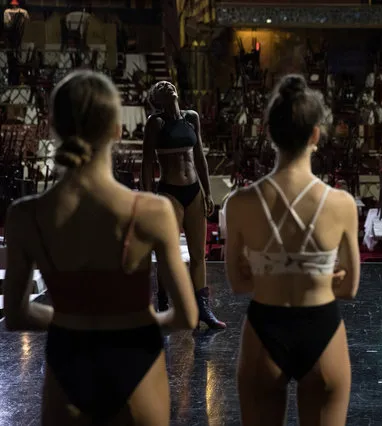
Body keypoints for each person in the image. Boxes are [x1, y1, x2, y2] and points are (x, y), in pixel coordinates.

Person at [3, 70, 198, 425]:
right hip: (136, 362)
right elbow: (186, 316)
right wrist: (134, 322)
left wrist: (73, 320)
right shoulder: (153, 212)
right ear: (117, 130)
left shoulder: (25, 216)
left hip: (68, 363)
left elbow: (16, 316)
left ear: (54, 126)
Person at [224, 74, 360, 426]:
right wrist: (318, 277)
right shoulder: (341, 204)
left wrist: (271, 272)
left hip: (264, 329)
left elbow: (238, 285)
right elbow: (349, 288)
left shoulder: (239, 203)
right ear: (316, 134)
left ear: (268, 132)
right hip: (322, 329)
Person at [142, 81, 226, 330]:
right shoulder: (155, 123)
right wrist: (147, 200)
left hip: (194, 192)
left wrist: (208, 192)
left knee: (198, 255)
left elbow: (199, 156)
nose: (166, 85)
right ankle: (164, 305)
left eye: (168, 84)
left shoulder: (192, 118)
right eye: (160, 87)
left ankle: (203, 310)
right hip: (169, 194)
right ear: (156, 99)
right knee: (168, 256)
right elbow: (147, 164)